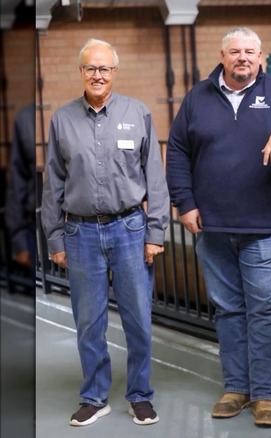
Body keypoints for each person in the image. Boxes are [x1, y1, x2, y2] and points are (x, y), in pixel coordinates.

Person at [166, 27, 271, 428]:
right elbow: (177, 152)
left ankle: (264, 395)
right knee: (227, 311)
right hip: (213, 227)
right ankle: (236, 388)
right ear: (222, 56)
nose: (243, 57)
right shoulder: (196, 98)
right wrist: (185, 203)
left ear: (261, 57)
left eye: (250, 52)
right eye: (235, 52)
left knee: (262, 311)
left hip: (265, 227)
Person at [40, 38, 170, 427]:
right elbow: (53, 185)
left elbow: (155, 180)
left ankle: (140, 395)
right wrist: (55, 238)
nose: (97, 75)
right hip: (80, 235)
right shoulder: (62, 119)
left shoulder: (138, 113)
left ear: (114, 72)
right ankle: (95, 396)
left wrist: (155, 232)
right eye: (90, 68)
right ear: (80, 73)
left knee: (138, 319)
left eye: (104, 68)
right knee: (88, 321)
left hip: (130, 228)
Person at [5, 102, 36, 274]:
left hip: (76, 228)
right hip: (34, 228)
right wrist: (19, 240)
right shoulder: (25, 119)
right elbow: (17, 182)